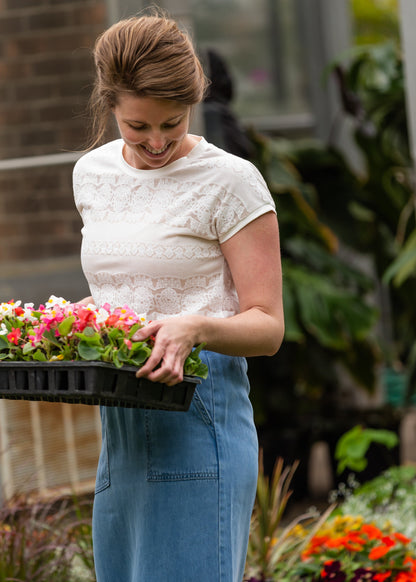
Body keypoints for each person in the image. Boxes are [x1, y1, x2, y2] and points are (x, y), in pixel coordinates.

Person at [73, 10, 284, 582]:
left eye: (173, 122)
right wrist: (75, 326)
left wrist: (195, 327)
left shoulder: (231, 181)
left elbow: (267, 325)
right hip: (121, 436)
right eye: (138, 126)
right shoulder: (90, 175)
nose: (158, 141)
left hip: (200, 423)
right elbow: (120, 292)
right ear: (110, 104)